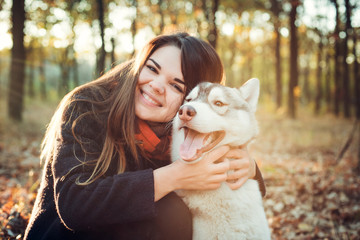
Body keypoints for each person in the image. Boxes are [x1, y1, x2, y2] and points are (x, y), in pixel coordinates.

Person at [24, 32, 266, 240]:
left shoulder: (184, 137)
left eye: (176, 86)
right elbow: (74, 205)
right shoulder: (86, 107)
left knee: (173, 213)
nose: (157, 86)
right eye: (152, 69)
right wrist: (173, 176)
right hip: (64, 234)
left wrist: (249, 168)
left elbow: (226, 196)